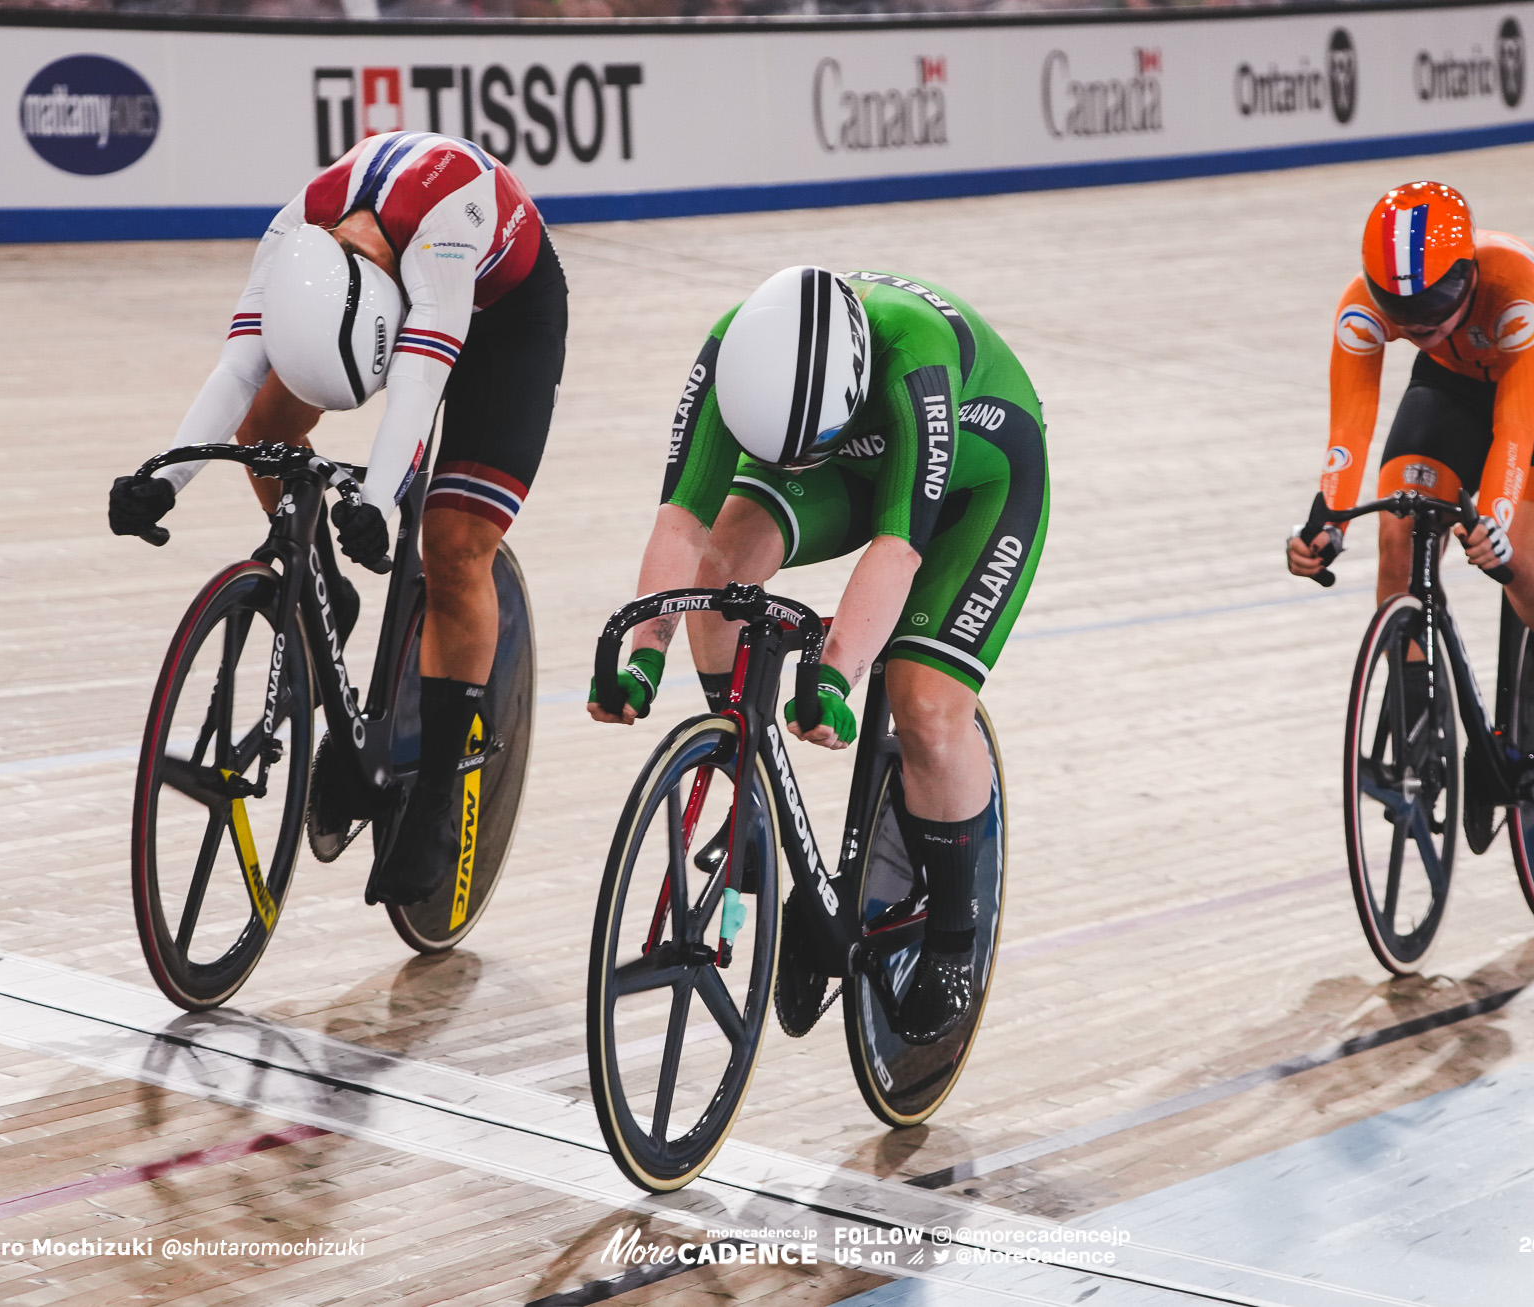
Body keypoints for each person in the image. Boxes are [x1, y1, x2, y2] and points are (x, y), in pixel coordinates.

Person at [587, 266, 1049, 1044]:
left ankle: (953, 940)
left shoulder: (916, 355)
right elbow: (682, 523)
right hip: (837, 458)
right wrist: (644, 657)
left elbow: (899, 547)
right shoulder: (734, 353)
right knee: (721, 571)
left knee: (927, 710)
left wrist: (834, 675)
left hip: (980, 479)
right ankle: (752, 787)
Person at [108, 131, 568, 904]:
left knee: (453, 546)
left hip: (506, 323)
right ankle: (327, 590)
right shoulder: (298, 233)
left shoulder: (443, 232)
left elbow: (418, 388)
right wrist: (167, 476)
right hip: (386, 291)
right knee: (263, 429)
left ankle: (433, 806)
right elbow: (237, 370)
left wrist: (377, 503)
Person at [1288, 181, 1534, 790]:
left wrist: (1491, 518)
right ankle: (1417, 724)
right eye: (1400, 308)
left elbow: (1515, 429)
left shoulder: (1514, 288)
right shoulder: (1361, 307)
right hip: (1451, 387)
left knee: (1524, 557)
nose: (1419, 321)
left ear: (1466, 272)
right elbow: (1349, 428)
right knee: (1398, 539)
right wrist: (1325, 521)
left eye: (1438, 299)